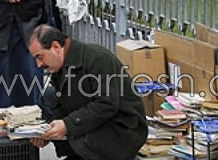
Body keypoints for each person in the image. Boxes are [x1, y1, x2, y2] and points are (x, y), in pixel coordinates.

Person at [28, 25, 148, 160]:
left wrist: (67, 125)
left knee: (78, 137)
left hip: (123, 131)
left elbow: (107, 104)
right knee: (48, 96)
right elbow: (61, 107)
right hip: (101, 122)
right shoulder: (60, 66)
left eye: (40, 57)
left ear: (56, 47)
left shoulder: (98, 58)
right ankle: (78, 153)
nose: (38, 64)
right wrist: (48, 132)